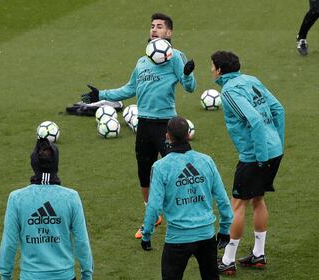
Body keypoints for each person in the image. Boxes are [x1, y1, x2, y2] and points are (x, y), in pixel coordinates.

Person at [81, 13, 197, 239]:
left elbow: (189, 87)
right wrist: (101, 94)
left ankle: (183, 216)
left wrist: (188, 74)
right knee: (144, 172)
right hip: (144, 124)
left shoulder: (176, 57)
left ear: (169, 33)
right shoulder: (142, 60)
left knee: (177, 171)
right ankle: (151, 216)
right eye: (152, 26)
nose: (154, 30)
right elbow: (129, 88)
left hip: (166, 124)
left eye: (160, 27)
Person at [210, 51, 285, 275]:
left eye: (212, 66)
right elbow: (278, 109)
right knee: (258, 199)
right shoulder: (252, 80)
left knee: (238, 205)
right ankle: (258, 254)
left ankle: (228, 260)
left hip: (255, 156)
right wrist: (276, 145)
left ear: (220, 70)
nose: (211, 70)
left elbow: (254, 120)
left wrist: (261, 155)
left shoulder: (229, 91)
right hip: (274, 150)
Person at [139, 116, 233, 280]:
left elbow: (154, 207)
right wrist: (224, 230)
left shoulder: (161, 167)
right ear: (189, 134)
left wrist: (146, 235)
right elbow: (223, 200)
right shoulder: (206, 161)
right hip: (206, 236)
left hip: (177, 239)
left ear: (168, 136)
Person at [0, 138, 93, 280]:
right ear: (56, 164)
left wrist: (5, 276)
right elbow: (82, 241)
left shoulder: (16, 199)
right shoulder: (71, 197)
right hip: (65, 276)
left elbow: (9, 243)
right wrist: (87, 274)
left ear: (33, 164)